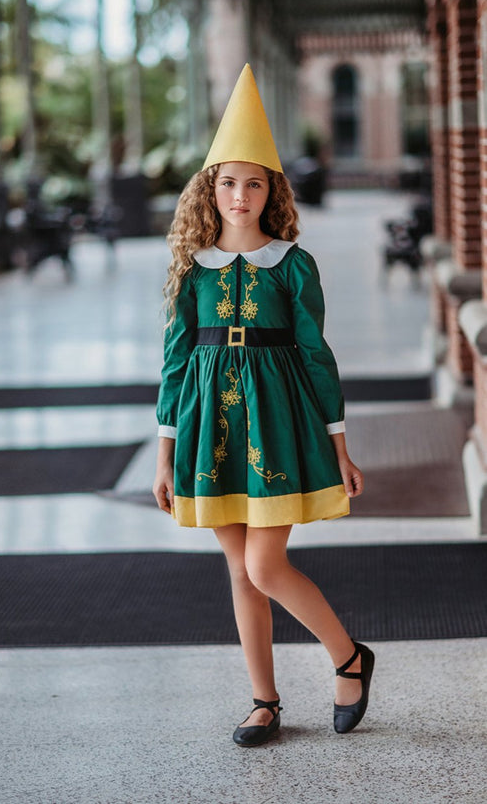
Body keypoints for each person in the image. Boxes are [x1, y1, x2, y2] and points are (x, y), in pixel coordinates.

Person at [153, 64, 374, 747]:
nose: (240, 195)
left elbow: (316, 356)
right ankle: (264, 700)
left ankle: (348, 658)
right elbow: (174, 363)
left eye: (253, 183)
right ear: (209, 190)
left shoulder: (293, 265)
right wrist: (164, 456)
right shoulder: (191, 271)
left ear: (271, 190)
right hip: (208, 428)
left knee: (264, 565)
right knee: (238, 570)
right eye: (228, 183)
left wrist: (339, 447)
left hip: (277, 423)